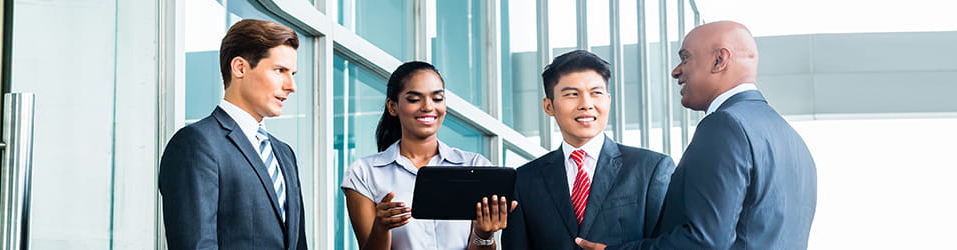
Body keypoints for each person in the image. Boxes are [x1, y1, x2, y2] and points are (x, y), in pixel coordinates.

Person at [575, 21, 817, 250]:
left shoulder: (724, 125)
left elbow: (705, 242)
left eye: (685, 58)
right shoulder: (793, 141)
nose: (675, 71)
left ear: (719, 60)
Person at [502, 50, 676, 249]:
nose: (586, 104)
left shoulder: (651, 169)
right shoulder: (525, 180)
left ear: (608, 100)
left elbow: (669, 245)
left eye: (596, 93)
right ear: (549, 106)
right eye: (572, 94)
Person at [158, 19, 308, 249]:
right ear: (240, 67)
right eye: (280, 71)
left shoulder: (285, 154)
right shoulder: (196, 144)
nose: (291, 85)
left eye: (293, 73)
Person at [341, 61, 517, 250]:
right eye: (414, 99)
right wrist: (381, 228)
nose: (428, 107)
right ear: (392, 107)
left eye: (437, 98)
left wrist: (484, 233)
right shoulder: (364, 173)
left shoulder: (476, 165)